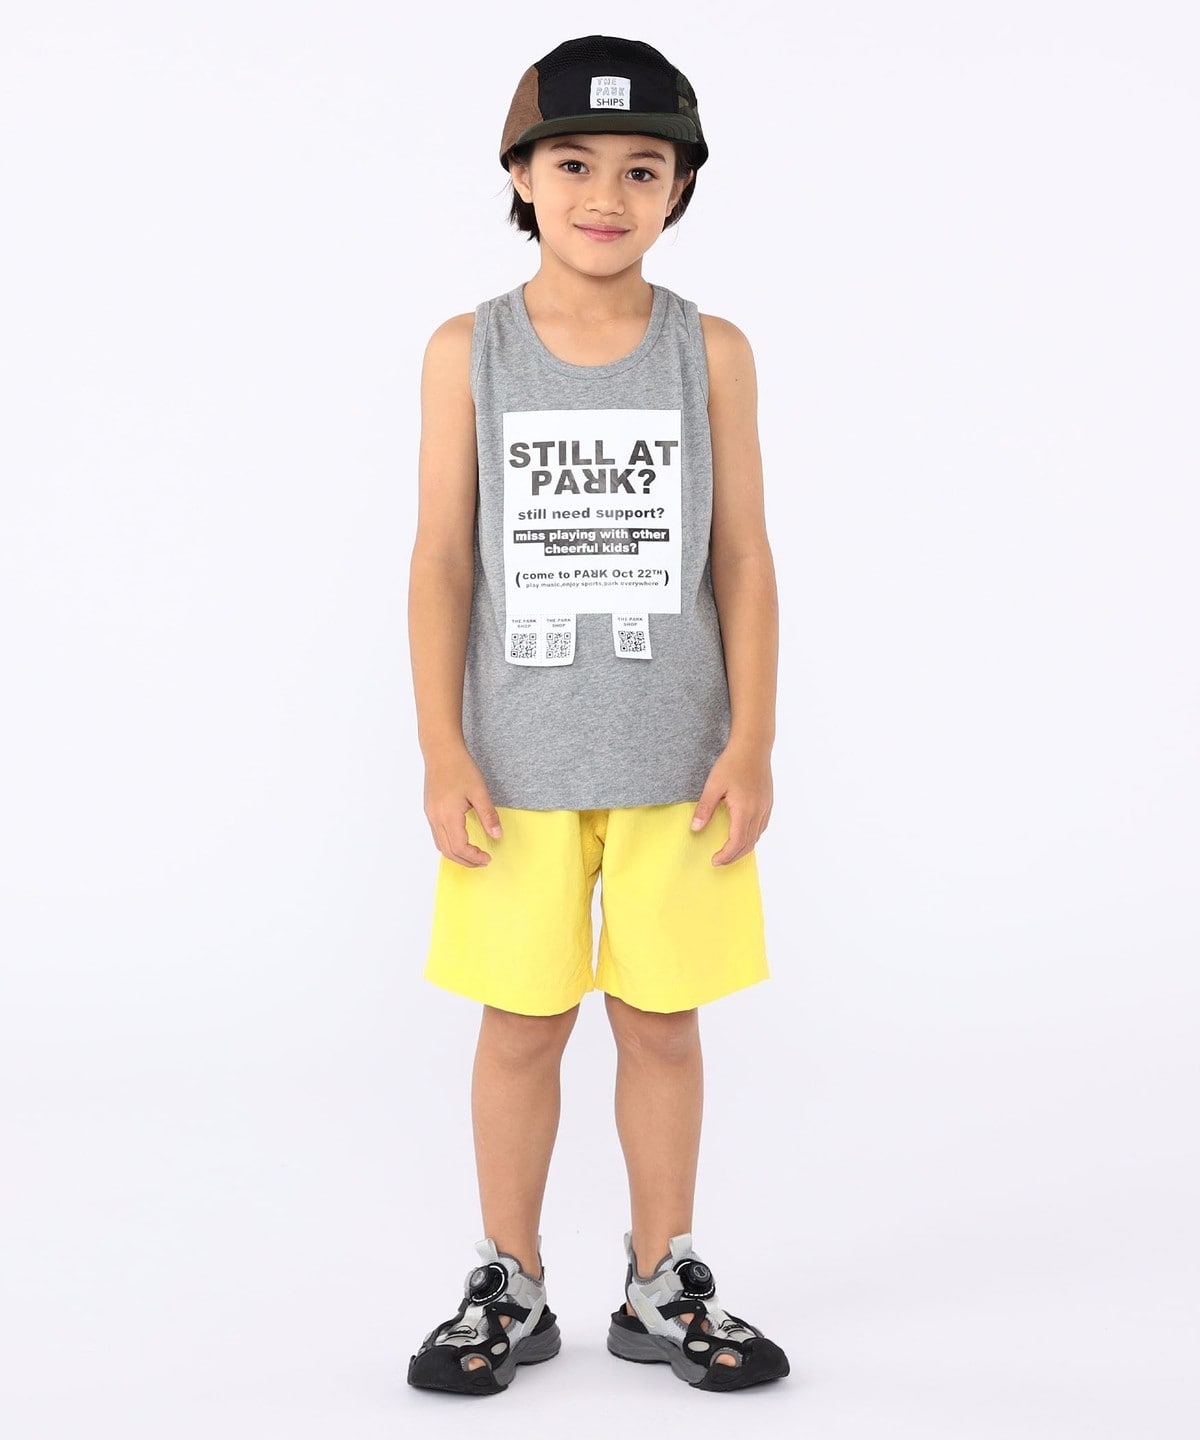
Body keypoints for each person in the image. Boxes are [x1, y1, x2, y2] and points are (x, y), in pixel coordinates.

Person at [405, 34, 786, 1395]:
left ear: (679, 187)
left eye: (642, 168)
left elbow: (742, 557)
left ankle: (661, 1276)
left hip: (680, 760)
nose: (606, 194)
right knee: (521, 1023)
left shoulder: (710, 352)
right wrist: (442, 745)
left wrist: (753, 738)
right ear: (522, 173)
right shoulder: (469, 351)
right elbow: (443, 560)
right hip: (515, 765)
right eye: (573, 162)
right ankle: (508, 1279)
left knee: (663, 1020)